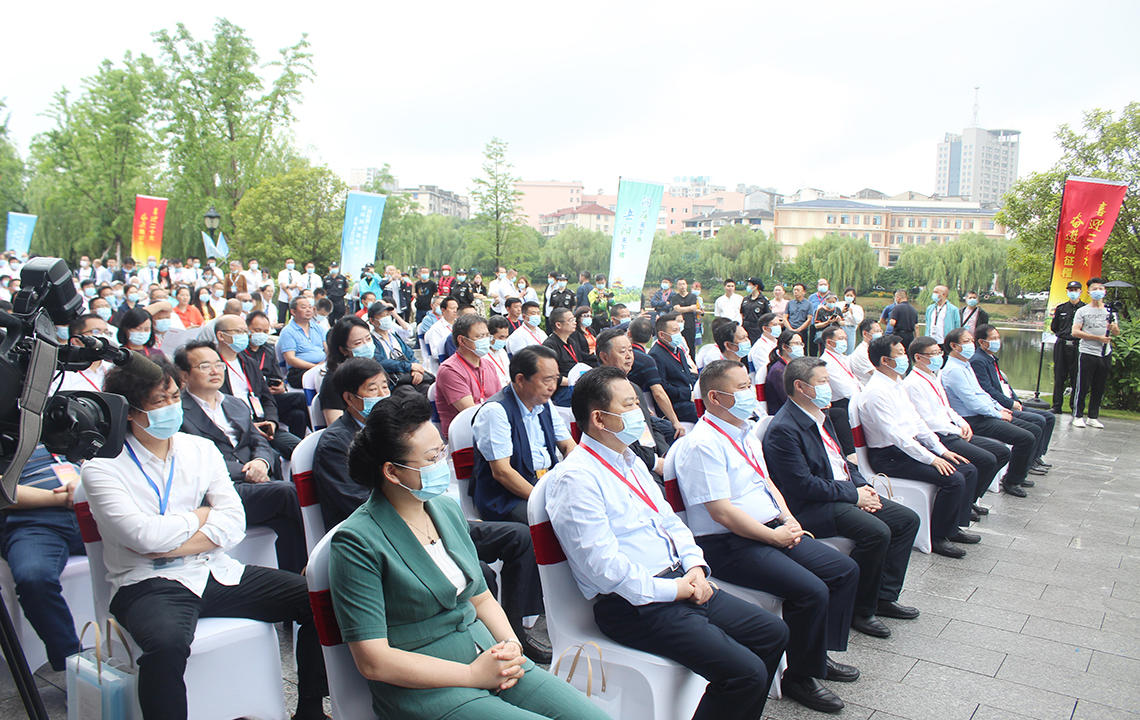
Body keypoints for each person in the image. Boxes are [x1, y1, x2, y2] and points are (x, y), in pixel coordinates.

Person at [326, 389, 599, 719]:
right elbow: (373, 660)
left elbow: (480, 598)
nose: (442, 464)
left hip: (489, 659)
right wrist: (472, 676)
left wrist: (511, 646)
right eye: (431, 459)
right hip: (428, 690)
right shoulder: (357, 542)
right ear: (392, 472)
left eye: (442, 451)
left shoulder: (442, 509)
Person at [81, 361, 328, 720]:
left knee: (320, 602)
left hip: (215, 570)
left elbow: (233, 523)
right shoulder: (102, 466)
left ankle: (309, 710)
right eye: (158, 401)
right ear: (131, 412)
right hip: (149, 583)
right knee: (165, 646)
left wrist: (168, 536)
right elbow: (140, 536)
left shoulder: (199, 449)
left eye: (173, 396)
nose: (171, 407)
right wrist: (202, 515)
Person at [548, 366, 789, 720]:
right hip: (635, 606)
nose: (640, 413)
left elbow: (671, 523)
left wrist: (695, 569)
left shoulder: (629, 461)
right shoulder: (576, 479)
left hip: (681, 583)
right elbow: (604, 569)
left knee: (773, 633)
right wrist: (677, 589)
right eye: (630, 406)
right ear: (599, 418)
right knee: (745, 673)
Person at [316, 359, 550, 663]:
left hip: (431, 514)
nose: (382, 393)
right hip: (399, 528)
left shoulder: (408, 433)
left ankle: (514, 630)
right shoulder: (336, 442)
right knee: (479, 573)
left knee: (521, 537)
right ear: (349, 397)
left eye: (385, 385)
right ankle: (471, 638)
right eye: (372, 389)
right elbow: (356, 502)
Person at [678, 360, 860, 713]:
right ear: (715, 397)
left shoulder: (746, 431)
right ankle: (800, 677)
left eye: (749, 384)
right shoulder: (703, 444)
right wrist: (772, 537)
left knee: (843, 570)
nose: (751, 393)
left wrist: (788, 521)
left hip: (770, 528)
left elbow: (769, 483)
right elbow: (722, 513)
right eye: (743, 388)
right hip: (729, 543)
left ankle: (816, 654)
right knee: (811, 590)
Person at [765, 356, 921, 641]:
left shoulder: (821, 416)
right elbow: (802, 486)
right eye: (823, 382)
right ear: (801, 387)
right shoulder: (784, 429)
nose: (830, 387)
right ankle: (860, 610)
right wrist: (854, 495)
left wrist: (864, 488)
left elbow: (843, 462)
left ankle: (884, 596)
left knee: (907, 520)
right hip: (813, 507)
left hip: (843, 494)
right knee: (877, 532)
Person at [174, 340, 307, 575]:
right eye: (205, 366)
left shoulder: (235, 404)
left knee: (288, 520)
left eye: (219, 364)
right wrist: (248, 470)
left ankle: (299, 581)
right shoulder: (177, 413)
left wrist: (261, 462)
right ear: (184, 375)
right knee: (289, 492)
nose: (216, 371)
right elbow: (191, 461)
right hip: (219, 490)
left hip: (256, 483)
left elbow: (260, 442)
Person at [856, 335, 979, 558]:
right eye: (901, 354)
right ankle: (938, 537)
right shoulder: (876, 392)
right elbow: (897, 435)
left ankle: (953, 528)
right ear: (885, 360)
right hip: (888, 456)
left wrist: (941, 450)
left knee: (967, 469)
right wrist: (932, 459)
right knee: (954, 479)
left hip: (908, 448)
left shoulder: (896, 384)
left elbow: (917, 423)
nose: (906, 358)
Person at [903, 336, 1010, 516]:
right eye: (933, 354)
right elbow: (928, 421)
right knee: (984, 461)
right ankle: (963, 507)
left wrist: (961, 422)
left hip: (952, 430)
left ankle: (969, 501)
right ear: (918, 357)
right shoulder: (913, 384)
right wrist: (957, 430)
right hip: (940, 436)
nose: (938, 357)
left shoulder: (932, 376)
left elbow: (946, 407)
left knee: (1001, 453)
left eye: (939, 353)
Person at [0, 446, 85, 671]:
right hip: (32, 519)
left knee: (152, 545)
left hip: (93, 505)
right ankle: (73, 666)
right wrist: (62, 498)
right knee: (33, 577)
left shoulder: (57, 416)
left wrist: (88, 480)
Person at [471, 346, 575, 524]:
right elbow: (502, 472)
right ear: (520, 379)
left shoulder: (544, 404)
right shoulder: (496, 411)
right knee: (559, 522)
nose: (553, 387)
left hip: (546, 483)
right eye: (546, 380)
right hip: (507, 497)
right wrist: (543, 501)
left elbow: (568, 446)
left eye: (556, 379)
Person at [940, 328, 1039, 498]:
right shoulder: (954, 371)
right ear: (954, 346)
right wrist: (998, 414)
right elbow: (973, 403)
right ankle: (1012, 480)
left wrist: (998, 408)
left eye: (972, 341)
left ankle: (1018, 475)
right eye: (966, 342)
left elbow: (981, 393)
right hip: (972, 419)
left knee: (1033, 429)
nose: (971, 345)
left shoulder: (965, 365)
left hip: (985, 414)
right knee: (1026, 438)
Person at [214, 314, 301, 462]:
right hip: (237, 429)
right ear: (221, 336)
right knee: (270, 458)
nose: (244, 336)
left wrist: (272, 422)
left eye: (244, 332)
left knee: (302, 451)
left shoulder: (249, 363)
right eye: (238, 332)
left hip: (261, 422)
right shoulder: (213, 368)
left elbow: (267, 398)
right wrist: (250, 426)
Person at [972, 324, 1056, 467]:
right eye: (994, 338)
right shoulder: (978, 360)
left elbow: (1004, 384)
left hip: (1008, 402)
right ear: (981, 342)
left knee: (1049, 417)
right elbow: (988, 390)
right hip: (1000, 406)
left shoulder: (990, 358)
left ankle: (1037, 455)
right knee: (1037, 422)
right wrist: (1010, 404)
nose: (998, 341)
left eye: (998, 337)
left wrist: (1016, 400)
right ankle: (1028, 463)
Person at [595, 328, 670, 477]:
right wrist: (654, 462)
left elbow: (649, 424)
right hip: (627, 465)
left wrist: (664, 453)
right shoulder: (599, 391)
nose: (629, 356)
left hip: (649, 454)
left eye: (630, 350)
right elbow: (614, 436)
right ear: (604, 356)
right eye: (622, 352)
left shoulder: (633, 386)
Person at [243, 311, 309, 440]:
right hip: (253, 398)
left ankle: (297, 447)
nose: (261, 334)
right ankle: (321, 431)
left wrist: (281, 387)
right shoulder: (241, 352)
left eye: (265, 331)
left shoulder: (268, 350)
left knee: (299, 415)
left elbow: (278, 376)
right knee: (300, 399)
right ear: (247, 329)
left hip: (271, 397)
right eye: (257, 330)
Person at [437, 313, 503, 437]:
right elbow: (470, 412)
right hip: (466, 436)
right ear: (462, 340)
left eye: (487, 335)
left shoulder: (488, 365)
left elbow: (501, 400)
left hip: (492, 428)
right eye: (480, 336)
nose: (486, 340)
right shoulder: (450, 370)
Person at [627, 317, 687, 440]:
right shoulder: (647, 360)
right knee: (670, 430)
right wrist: (675, 422)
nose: (627, 357)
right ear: (651, 337)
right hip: (638, 411)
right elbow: (659, 393)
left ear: (629, 334)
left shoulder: (628, 356)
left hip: (634, 406)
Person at [1072, 277, 1118, 428]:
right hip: (1088, 352)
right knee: (1083, 385)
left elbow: (1116, 332)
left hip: (1105, 353)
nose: (1098, 292)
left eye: (1100, 289)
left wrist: (1112, 328)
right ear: (1089, 292)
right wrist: (1096, 337)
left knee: (1099, 385)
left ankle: (1093, 416)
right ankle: (1078, 415)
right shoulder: (1082, 311)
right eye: (1095, 289)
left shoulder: (1109, 311)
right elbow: (1075, 332)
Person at [319, 315, 375, 427]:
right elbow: (336, 426)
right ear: (343, 349)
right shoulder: (333, 382)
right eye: (358, 343)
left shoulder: (375, 370)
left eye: (368, 339)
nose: (367, 346)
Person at [369, 301, 431, 394]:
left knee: (428, 390)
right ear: (372, 320)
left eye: (387, 315)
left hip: (408, 375)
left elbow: (409, 353)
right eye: (382, 316)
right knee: (408, 394)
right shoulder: (372, 341)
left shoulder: (394, 336)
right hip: (394, 380)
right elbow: (380, 361)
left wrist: (416, 369)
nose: (386, 318)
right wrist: (409, 366)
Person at [648, 312, 698, 423]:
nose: (679, 334)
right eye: (675, 331)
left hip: (688, 398)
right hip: (674, 404)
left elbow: (687, 375)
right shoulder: (656, 355)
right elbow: (663, 387)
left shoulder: (678, 350)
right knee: (700, 411)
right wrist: (687, 394)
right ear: (662, 335)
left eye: (679, 331)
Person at [818, 325, 859, 455]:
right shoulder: (826, 362)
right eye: (841, 338)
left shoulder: (841, 358)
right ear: (829, 342)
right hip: (842, 402)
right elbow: (844, 389)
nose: (844, 342)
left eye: (845, 338)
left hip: (852, 398)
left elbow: (854, 380)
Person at [542, 307, 593, 407]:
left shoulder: (572, 342)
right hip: (562, 390)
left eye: (574, 319)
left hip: (576, 383)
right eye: (571, 320)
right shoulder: (550, 346)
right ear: (558, 325)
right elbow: (553, 377)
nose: (575, 323)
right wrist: (574, 382)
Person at [1049, 280, 1084, 414]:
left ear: (1080, 291)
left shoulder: (1084, 309)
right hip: (1062, 344)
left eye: (1076, 290)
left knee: (1076, 376)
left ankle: (1074, 406)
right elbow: (1054, 327)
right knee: (1059, 375)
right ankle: (1057, 405)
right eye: (1070, 290)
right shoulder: (1061, 308)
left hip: (1077, 345)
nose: (1073, 292)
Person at [278, 296, 327, 388]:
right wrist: (314, 367)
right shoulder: (288, 331)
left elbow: (328, 350)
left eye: (310, 307)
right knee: (327, 380)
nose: (308, 310)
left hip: (321, 368)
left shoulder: (319, 329)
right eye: (304, 307)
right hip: (299, 371)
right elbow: (291, 359)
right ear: (293, 312)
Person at [55, 313, 113, 392]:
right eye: (96, 331)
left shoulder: (113, 369)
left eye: (106, 332)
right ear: (76, 340)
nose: (103, 336)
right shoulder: (61, 374)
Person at [764, 330, 803, 416]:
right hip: (785, 415)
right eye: (796, 343)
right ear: (785, 346)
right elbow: (789, 399)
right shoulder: (778, 370)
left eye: (801, 344)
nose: (800, 347)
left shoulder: (792, 366)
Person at [425, 296, 460, 366]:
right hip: (448, 363)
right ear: (443, 310)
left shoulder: (460, 324)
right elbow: (435, 353)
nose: (455, 311)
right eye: (452, 308)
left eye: (457, 308)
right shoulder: (436, 328)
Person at [671, 278, 701, 358]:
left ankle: (692, 363)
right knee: (679, 345)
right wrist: (688, 308)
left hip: (690, 324)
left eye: (684, 284)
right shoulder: (675, 298)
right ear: (677, 286)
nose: (682, 286)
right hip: (679, 325)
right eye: (680, 284)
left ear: (687, 285)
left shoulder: (692, 296)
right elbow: (677, 309)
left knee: (691, 345)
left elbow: (694, 308)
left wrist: (682, 309)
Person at [850, 318, 881, 386]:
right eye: (876, 331)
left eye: (880, 331)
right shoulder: (862, 352)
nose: (879, 334)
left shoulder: (876, 349)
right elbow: (874, 372)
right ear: (865, 333)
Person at [812, 292, 843, 357]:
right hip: (824, 335)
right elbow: (816, 325)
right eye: (830, 301)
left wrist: (839, 320)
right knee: (823, 352)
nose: (831, 303)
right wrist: (828, 322)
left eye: (833, 302)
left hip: (835, 335)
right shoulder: (820, 310)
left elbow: (843, 323)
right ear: (826, 301)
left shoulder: (837, 310)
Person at [739, 277, 770, 343]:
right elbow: (742, 313)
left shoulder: (763, 300)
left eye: (750, 285)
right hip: (746, 327)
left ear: (756, 286)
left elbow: (767, 316)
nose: (748, 287)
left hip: (757, 328)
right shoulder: (746, 299)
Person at [485, 315, 513, 388]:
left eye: (506, 337)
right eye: (501, 337)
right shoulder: (482, 355)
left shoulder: (502, 352)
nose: (503, 340)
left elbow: (508, 373)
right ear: (490, 336)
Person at [785, 283, 813, 348]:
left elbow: (809, 319)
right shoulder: (789, 303)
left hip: (802, 331)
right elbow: (785, 317)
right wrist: (790, 329)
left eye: (798, 290)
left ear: (804, 292)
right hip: (789, 330)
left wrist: (799, 330)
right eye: (794, 290)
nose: (796, 292)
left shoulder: (809, 304)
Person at [840, 287, 864, 354]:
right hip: (840, 327)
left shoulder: (857, 308)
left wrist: (852, 313)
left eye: (851, 295)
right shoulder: (839, 305)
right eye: (847, 295)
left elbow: (857, 321)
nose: (849, 297)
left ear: (854, 296)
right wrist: (842, 312)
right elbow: (835, 316)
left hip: (851, 328)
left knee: (850, 350)